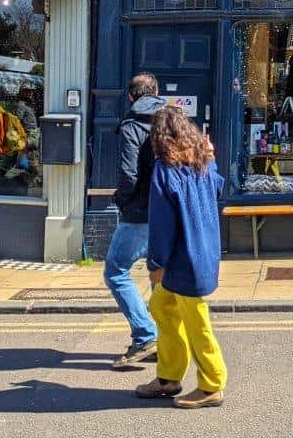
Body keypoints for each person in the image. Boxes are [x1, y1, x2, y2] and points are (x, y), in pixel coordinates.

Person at [135, 105, 227, 409]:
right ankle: (169, 377)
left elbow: (162, 223)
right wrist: (211, 158)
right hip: (203, 253)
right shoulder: (204, 162)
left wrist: (156, 263)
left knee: (196, 321)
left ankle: (212, 384)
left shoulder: (165, 169)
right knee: (161, 305)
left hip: (181, 259)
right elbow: (218, 191)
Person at [104, 72, 165, 370]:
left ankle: (145, 335)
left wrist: (123, 200)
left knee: (115, 271)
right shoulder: (171, 119)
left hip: (140, 213)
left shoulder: (132, 125)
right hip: (168, 211)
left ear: (131, 96)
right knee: (158, 272)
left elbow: (128, 175)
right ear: (156, 92)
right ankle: (164, 339)